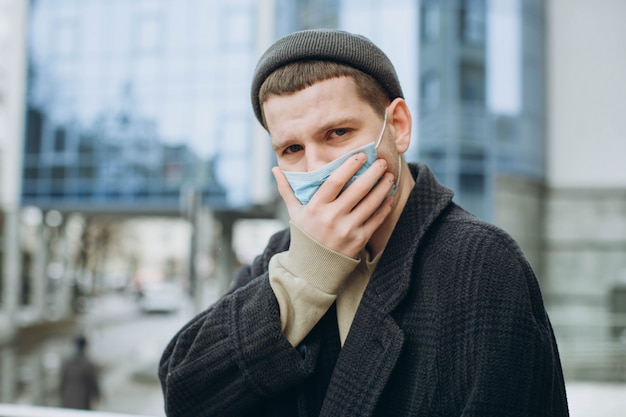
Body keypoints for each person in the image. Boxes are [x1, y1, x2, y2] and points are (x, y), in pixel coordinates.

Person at [159, 29, 569, 417]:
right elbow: (184, 392)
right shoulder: (282, 253)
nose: (317, 167)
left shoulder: (479, 262)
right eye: (292, 148)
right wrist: (306, 275)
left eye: (337, 132)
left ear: (399, 127)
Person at [59, 335, 101, 410]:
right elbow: (93, 383)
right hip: (83, 400)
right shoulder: (87, 363)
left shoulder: (67, 362)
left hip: (67, 398)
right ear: (84, 346)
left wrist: (62, 396)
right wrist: (97, 396)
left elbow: (62, 382)